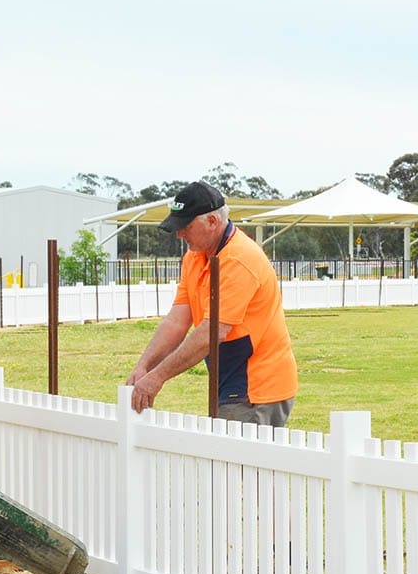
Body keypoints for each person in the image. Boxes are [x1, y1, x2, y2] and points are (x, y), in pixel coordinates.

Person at [127, 182, 297, 427]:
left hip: (256, 387)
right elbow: (177, 320)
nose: (179, 234)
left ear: (213, 222)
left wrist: (158, 377)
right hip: (229, 378)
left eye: (186, 227)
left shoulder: (239, 259)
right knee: (226, 461)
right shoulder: (195, 257)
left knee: (237, 464)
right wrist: (144, 367)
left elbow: (212, 332)